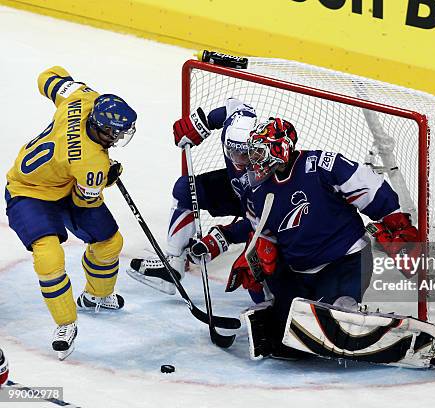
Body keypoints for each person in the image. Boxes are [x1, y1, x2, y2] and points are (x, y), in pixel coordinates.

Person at [187, 117, 419, 358]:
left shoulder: (321, 166)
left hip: (344, 261)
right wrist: (254, 255)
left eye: (258, 153)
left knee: (336, 317)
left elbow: (371, 188)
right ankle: (281, 310)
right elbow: (261, 231)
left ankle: (362, 320)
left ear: (279, 150)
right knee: (284, 332)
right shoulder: (256, 190)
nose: (252, 160)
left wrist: (394, 222)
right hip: (298, 270)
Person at [5, 67, 136, 360]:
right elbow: (85, 202)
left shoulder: (83, 97)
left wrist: (63, 82)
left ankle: (96, 295)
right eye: (116, 133)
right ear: (102, 129)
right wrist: (106, 179)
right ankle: (66, 323)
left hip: (62, 184)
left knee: (109, 242)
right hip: (27, 192)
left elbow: (47, 77)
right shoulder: (92, 164)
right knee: (49, 256)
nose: (118, 138)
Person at [128, 98, 255, 296]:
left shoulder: (265, 166)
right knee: (184, 189)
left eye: (244, 155)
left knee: (257, 283)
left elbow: (266, 221)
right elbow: (235, 107)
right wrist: (203, 122)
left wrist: (225, 236)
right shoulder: (237, 125)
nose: (237, 159)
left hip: (262, 204)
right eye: (232, 153)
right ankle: (173, 266)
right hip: (237, 190)